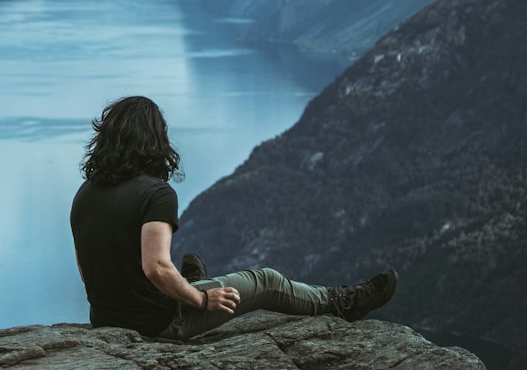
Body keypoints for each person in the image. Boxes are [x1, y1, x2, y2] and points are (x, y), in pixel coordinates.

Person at [70, 95, 398, 342]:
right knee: (267, 280)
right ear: (155, 140)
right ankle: (343, 304)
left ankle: (192, 283)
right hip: (157, 324)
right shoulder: (156, 193)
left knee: (189, 272)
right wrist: (200, 298)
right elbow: (155, 267)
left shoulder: (84, 194)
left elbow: (89, 275)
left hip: (105, 322)